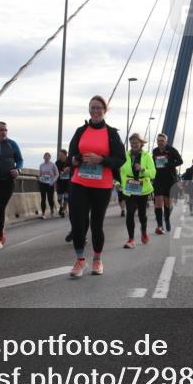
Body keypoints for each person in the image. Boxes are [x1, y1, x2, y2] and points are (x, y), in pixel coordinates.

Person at [67, 95, 126, 278]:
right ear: (89, 110)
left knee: (96, 224)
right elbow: (71, 155)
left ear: (105, 110)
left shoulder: (111, 133)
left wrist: (102, 160)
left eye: (99, 107)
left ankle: (97, 259)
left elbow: (121, 159)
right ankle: (80, 260)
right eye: (92, 107)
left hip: (102, 184)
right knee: (77, 222)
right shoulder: (80, 131)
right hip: (79, 182)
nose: (95, 110)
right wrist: (75, 159)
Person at [0, 121, 24, 250]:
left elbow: (20, 159)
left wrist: (18, 170)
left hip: (7, 181)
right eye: (1, 130)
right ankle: (1, 229)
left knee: (0, 207)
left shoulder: (12, 144)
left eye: (5, 130)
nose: (4, 132)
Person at [119, 133, 156, 248]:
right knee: (130, 213)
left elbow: (153, 173)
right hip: (129, 187)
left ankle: (143, 231)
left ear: (141, 143)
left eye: (136, 142)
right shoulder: (125, 155)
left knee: (142, 214)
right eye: (132, 142)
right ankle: (131, 239)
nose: (134, 144)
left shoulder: (147, 156)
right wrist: (118, 183)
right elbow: (121, 171)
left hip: (143, 188)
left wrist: (142, 169)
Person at [150, 133, 183, 234]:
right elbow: (153, 162)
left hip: (169, 179)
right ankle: (159, 225)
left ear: (166, 141)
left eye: (162, 141)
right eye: (158, 141)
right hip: (158, 179)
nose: (160, 142)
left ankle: (167, 220)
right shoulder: (155, 151)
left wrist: (168, 164)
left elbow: (180, 161)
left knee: (168, 203)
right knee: (158, 202)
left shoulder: (172, 150)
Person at [38, 152, 59, 219]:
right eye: (45, 156)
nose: (47, 158)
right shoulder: (41, 165)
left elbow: (57, 174)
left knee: (50, 198)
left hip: (50, 184)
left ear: (50, 157)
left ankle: (52, 210)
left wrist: (53, 181)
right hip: (43, 183)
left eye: (48, 156)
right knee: (43, 198)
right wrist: (40, 179)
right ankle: (43, 213)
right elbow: (40, 174)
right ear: (43, 157)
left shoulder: (53, 165)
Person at [56, 148, 71, 218]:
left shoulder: (70, 161)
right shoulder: (57, 162)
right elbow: (55, 171)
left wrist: (69, 169)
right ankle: (61, 206)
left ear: (65, 155)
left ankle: (63, 210)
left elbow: (74, 168)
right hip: (60, 182)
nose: (60, 156)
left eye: (61, 155)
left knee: (66, 197)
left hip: (68, 182)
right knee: (59, 199)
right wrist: (61, 172)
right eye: (59, 155)